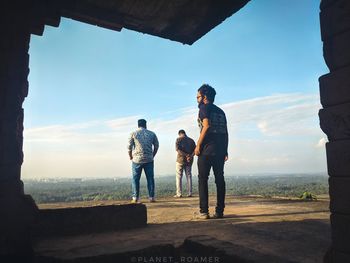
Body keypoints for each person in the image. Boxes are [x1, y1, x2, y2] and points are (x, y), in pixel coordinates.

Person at [195, 84, 228, 219]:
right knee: (219, 179)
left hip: (207, 150)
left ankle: (204, 212)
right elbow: (226, 132)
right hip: (220, 150)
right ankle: (219, 211)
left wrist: (198, 145)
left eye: (198, 97)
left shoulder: (204, 108)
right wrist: (226, 150)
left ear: (205, 97)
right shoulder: (221, 112)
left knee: (203, 180)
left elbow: (206, 126)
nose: (197, 99)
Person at [127, 119, 159, 203]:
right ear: (145, 125)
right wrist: (153, 155)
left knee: (135, 179)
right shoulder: (152, 133)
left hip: (137, 160)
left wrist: (130, 156)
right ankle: (151, 197)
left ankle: (135, 198)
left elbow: (129, 147)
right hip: (149, 159)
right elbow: (156, 145)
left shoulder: (133, 133)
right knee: (150, 178)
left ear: (138, 125)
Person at [174, 129, 196, 198]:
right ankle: (190, 193)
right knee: (189, 176)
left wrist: (186, 155)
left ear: (180, 134)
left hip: (180, 160)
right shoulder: (191, 140)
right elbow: (195, 150)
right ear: (185, 133)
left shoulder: (178, 139)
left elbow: (177, 149)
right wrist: (190, 156)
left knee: (179, 177)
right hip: (189, 161)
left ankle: (179, 194)